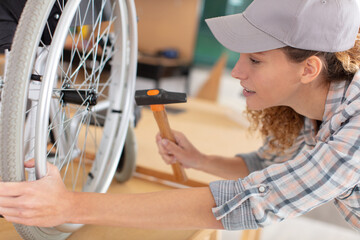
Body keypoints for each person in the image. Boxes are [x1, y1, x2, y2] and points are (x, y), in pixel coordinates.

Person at [0, 0, 360, 232]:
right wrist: (200, 160)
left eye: (255, 60)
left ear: (309, 69)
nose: (236, 71)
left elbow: (252, 202)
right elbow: (266, 165)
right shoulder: (315, 110)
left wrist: (69, 206)